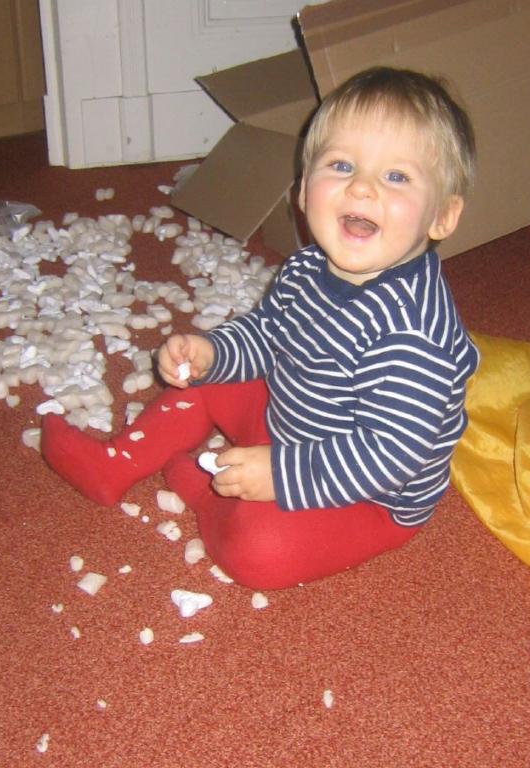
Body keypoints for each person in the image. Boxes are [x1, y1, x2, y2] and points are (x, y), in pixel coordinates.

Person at [41, 66, 480, 590]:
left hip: (366, 494)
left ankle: (208, 498)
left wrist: (281, 474)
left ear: (442, 217)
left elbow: (389, 455)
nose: (362, 188)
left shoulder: (413, 334)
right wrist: (212, 352)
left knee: (261, 551)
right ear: (303, 191)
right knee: (203, 378)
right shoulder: (306, 268)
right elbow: (268, 333)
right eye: (341, 165)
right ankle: (115, 465)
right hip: (290, 418)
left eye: (397, 177)